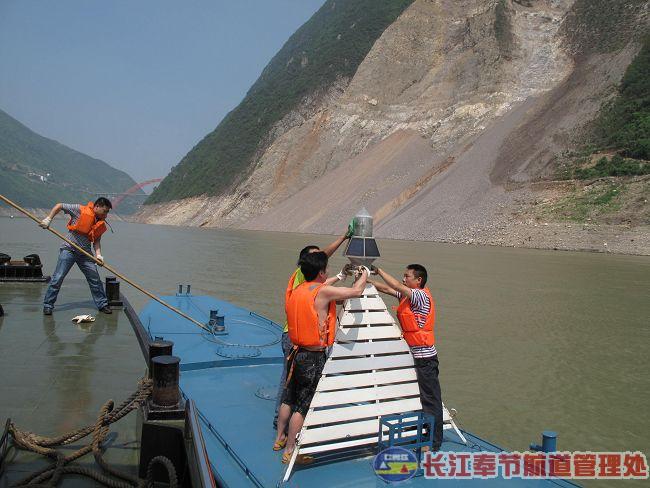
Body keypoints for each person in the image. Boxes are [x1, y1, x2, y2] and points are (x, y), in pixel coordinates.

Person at [274, 252, 368, 464]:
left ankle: (279, 438)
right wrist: (365, 273)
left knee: (288, 397)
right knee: (303, 405)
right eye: (325, 269)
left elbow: (321, 285)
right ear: (320, 272)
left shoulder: (297, 290)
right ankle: (290, 450)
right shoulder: (323, 291)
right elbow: (356, 291)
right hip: (312, 357)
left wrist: (339, 275)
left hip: (295, 352)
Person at [273, 230, 352, 429]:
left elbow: (326, 294)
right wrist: (344, 238)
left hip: (295, 337)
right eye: (314, 256)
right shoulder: (304, 273)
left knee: (291, 385)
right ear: (306, 262)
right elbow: (324, 261)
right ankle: (291, 424)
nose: (319, 258)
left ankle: (282, 426)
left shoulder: (306, 284)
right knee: (294, 386)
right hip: (301, 342)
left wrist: (340, 276)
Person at [370, 264, 443, 450]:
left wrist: (378, 270)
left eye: (407, 276)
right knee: (422, 396)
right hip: (414, 356)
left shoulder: (420, 296)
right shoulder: (407, 296)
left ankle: (433, 442)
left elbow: (395, 285)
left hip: (425, 358)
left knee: (430, 399)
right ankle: (425, 432)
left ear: (418, 280)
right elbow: (387, 288)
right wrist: (365, 279)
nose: (403, 279)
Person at [40, 198, 113, 315]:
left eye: (107, 212)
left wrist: (99, 255)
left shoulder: (99, 222)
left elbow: (97, 241)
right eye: (105, 211)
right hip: (69, 249)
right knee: (58, 278)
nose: (106, 215)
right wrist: (48, 219)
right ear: (97, 206)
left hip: (85, 253)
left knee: (94, 279)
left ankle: (102, 304)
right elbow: (59, 205)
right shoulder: (79, 210)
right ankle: (48, 305)